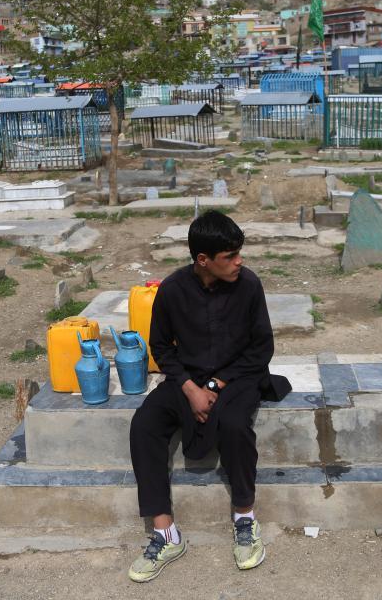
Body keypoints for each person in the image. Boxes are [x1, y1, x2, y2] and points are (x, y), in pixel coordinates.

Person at [127, 210, 290, 583]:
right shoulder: (172, 289)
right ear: (203, 259)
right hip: (187, 379)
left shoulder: (249, 285)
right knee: (144, 424)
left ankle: (245, 518)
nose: (239, 262)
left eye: (238, 254)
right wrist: (190, 388)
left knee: (233, 424)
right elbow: (160, 347)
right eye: (230, 256)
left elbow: (261, 348)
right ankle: (166, 534)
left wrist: (215, 386)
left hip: (239, 377)